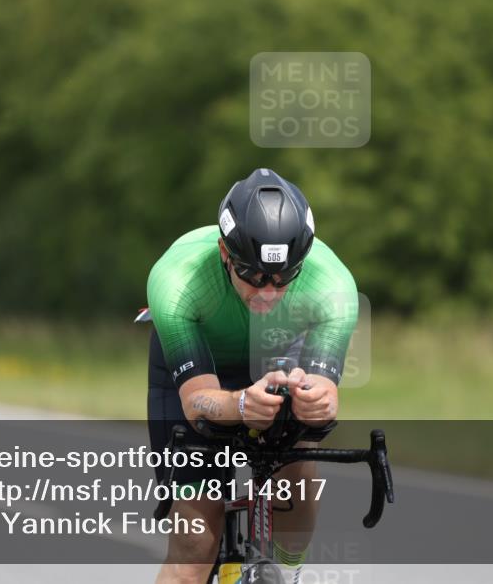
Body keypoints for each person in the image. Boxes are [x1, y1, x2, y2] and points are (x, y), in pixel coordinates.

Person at [146, 168, 358, 584]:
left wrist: (317, 401)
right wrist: (241, 403)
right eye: (253, 275)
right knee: (194, 547)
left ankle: (286, 571)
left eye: (283, 278)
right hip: (199, 370)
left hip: (277, 360)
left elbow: (325, 393)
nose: (267, 291)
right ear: (226, 253)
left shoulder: (333, 287)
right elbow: (196, 401)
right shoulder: (177, 278)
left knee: (298, 457)